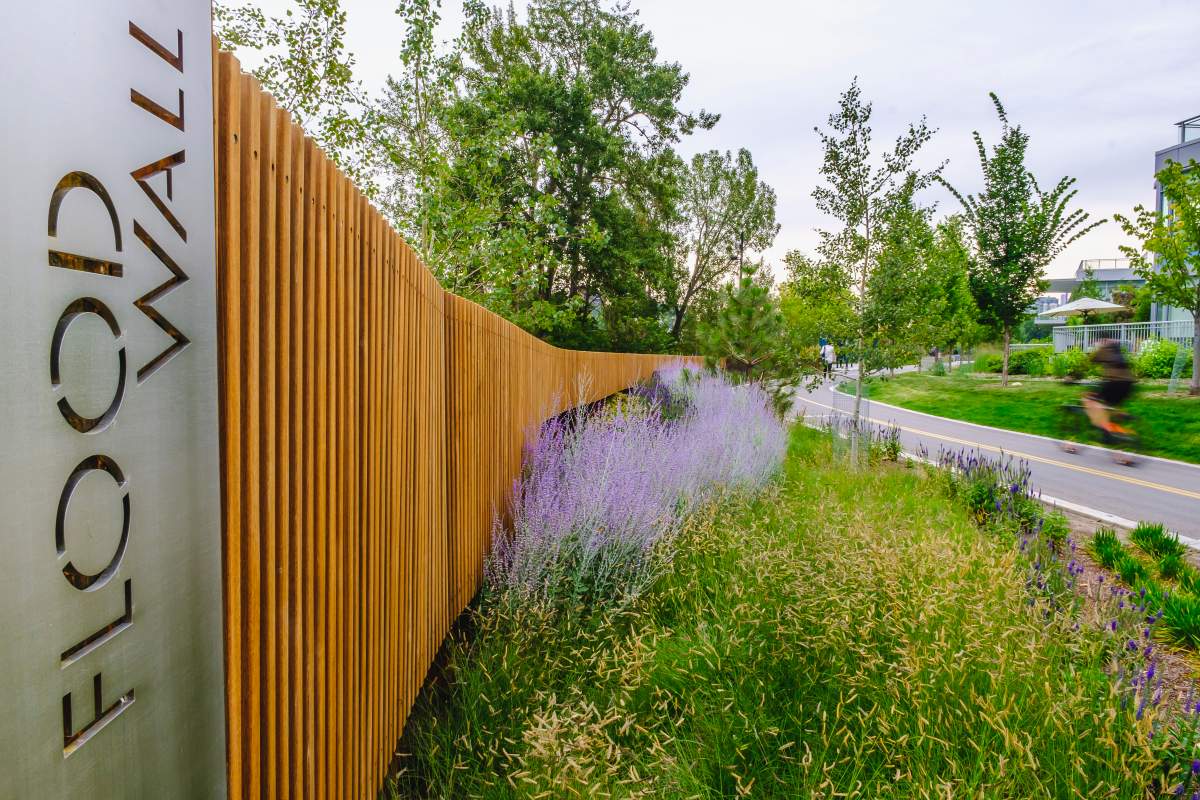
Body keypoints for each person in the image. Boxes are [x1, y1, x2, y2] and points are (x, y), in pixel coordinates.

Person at [1082, 339, 1135, 436]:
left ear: (1102, 340)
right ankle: (1123, 417)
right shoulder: (1117, 349)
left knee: (1090, 399)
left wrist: (1071, 376)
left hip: (1115, 383)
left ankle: (1106, 431)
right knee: (1111, 404)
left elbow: (1086, 364)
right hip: (1129, 384)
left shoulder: (1104, 349)